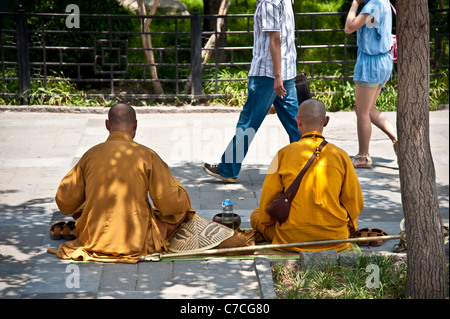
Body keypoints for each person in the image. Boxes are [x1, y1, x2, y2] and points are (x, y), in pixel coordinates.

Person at [48, 104, 195, 263]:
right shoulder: (147, 156)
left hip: (93, 238)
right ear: (135, 125)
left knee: (84, 207)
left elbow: (64, 202)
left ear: (107, 125)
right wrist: (178, 186)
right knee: (181, 211)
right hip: (135, 242)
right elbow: (170, 203)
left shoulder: (90, 155)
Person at [203, 0, 301, 183]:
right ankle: (311, 163)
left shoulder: (268, 2)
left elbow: (275, 38)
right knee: (296, 122)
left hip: (269, 74)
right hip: (285, 70)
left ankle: (228, 169)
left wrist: (277, 76)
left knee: (248, 122)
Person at [250, 99, 364, 252]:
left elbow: (266, 206)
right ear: (326, 121)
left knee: (255, 215)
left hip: (291, 239)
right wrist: (350, 228)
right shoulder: (341, 155)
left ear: (298, 121)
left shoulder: (283, 154)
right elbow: (355, 203)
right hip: (336, 239)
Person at [344, 0, 398, 168]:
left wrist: (354, 3)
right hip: (382, 60)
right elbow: (371, 26)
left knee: (362, 111)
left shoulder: (373, 5)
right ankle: (397, 140)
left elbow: (349, 27)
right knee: (367, 109)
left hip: (371, 63)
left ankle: (363, 156)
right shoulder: (383, 2)